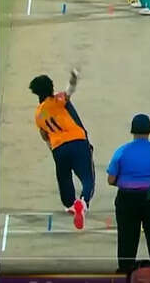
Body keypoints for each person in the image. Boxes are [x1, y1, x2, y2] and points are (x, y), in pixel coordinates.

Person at [107, 114, 150, 274]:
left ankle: (125, 269)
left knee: (127, 236)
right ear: (149, 131)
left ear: (132, 131)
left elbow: (111, 179)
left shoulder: (121, 151)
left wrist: (127, 184)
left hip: (127, 197)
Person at [29, 68, 96, 230]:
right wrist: (74, 77)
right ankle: (83, 202)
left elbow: (44, 136)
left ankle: (70, 204)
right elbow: (70, 89)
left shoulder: (38, 115)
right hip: (78, 141)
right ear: (51, 88)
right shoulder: (59, 99)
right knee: (88, 178)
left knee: (64, 177)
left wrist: (54, 150)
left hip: (58, 147)